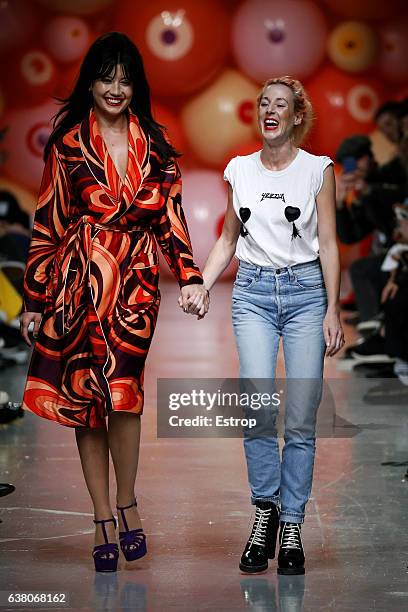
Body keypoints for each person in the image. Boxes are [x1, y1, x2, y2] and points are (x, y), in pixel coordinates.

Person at [20, 32, 208, 573]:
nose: (116, 89)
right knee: (87, 396)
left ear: (137, 86)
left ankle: (127, 500)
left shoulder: (156, 146)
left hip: (134, 290)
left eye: (126, 80)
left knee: (125, 394)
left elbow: (172, 222)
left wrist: (191, 278)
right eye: (107, 78)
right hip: (78, 284)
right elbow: (48, 219)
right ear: (91, 82)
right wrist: (35, 297)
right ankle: (102, 514)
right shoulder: (68, 146)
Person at [188, 76, 344, 575]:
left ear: (298, 116)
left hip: (305, 295)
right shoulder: (239, 171)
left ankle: (293, 522)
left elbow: (329, 245)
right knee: (255, 411)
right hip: (252, 293)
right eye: (263, 103)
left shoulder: (318, 171)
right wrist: (203, 282)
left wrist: (333, 309)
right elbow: (229, 239)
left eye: (281, 104)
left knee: (299, 418)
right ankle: (266, 513)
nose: (269, 110)